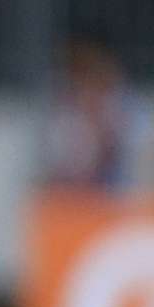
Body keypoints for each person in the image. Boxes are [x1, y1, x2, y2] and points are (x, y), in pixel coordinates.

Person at [43, 30, 146, 190]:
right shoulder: (63, 107)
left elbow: (137, 158)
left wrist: (103, 126)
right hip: (75, 195)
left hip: (119, 194)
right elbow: (56, 164)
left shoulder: (129, 106)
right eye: (78, 69)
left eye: (89, 67)